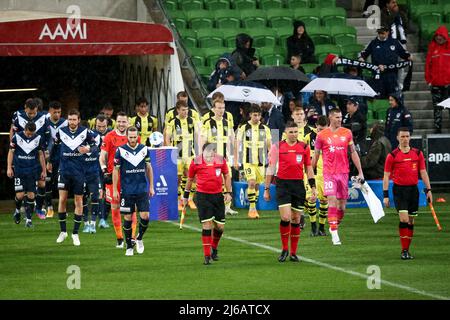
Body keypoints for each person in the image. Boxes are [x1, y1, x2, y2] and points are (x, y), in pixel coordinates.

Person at [264, 121, 316, 262]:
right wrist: (267, 188)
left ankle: (293, 252)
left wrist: (313, 186)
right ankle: (284, 249)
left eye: (295, 132)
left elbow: (309, 168)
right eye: (291, 132)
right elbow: (271, 168)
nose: (293, 134)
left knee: (296, 219)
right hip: (283, 185)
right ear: (285, 133)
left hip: (298, 185)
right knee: (286, 217)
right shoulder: (277, 147)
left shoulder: (303, 147)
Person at [312, 108, 364, 245]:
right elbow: (316, 155)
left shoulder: (347, 133)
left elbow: (353, 153)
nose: (340, 119)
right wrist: (310, 173)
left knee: (342, 207)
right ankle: (335, 234)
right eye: (337, 117)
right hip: (329, 173)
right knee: (332, 201)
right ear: (330, 118)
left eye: (341, 117)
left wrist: (360, 171)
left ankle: (334, 225)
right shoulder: (322, 135)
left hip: (343, 173)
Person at [383, 127, 432, 260]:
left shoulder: (417, 153)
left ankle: (407, 250)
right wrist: (386, 195)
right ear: (397, 138)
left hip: (413, 191)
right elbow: (386, 176)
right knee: (404, 219)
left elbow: (423, 172)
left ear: (410, 137)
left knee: (410, 221)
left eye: (407, 136)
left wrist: (429, 190)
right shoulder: (392, 156)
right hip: (399, 191)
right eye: (402, 137)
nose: (405, 139)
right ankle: (404, 250)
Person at [183, 143, 232, 265]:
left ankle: (214, 248)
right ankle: (206, 256)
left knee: (220, 227)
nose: (210, 154)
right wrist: (185, 196)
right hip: (202, 196)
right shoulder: (196, 161)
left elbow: (226, 175)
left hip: (217, 196)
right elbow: (189, 179)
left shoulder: (221, 160)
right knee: (207, 225)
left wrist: (228, 192)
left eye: (212, 151)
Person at [53, 109, 97, 246]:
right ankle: (63, 231)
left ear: (79, 120)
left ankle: (75, 233)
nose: (72, 122)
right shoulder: (61, 132)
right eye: (70, 119)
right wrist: (49, 162)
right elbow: (54, 147)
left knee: (78, 201)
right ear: (68, 120)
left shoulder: (85, 132)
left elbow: (96, 146)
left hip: (79, 172)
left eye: (74, 119)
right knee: (62, 199)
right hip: (64, 171)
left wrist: (88, 149)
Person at [113, 126, 154, 256]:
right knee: (128, 218)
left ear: (137, 136)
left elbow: (149, 168)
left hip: (142, 189)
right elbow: (115, 170)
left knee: (145, 216)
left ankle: (139, 238)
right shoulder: (120, 151)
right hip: (127, 190)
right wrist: (115, 189)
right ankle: (129, 246)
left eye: (134, 137)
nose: (132, 139)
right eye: (130, 137)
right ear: (127, 136)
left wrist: (151, 186)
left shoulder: (144, 149)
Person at [100, 112, 139, 248]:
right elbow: (102, 156)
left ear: (128, 123)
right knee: (115, 208)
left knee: (132, 209)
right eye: (119, 122)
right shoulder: (109, 137)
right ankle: (120, 239)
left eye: (124, 122)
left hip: (129, 179)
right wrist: (104, 170)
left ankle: (132, 237)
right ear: (115, 122)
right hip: (114, 178)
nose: (121, 124)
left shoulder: (133, 137)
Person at [11, 98, 50, 220]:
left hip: (38, 153)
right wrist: (12, 146)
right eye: (30, 113)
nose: (32, 115)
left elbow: (48, 135)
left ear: (37, 109)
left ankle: (39, 207)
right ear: (25, 108)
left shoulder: (43, 118)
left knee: (42, 183)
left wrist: (47, 151)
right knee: (23, 190)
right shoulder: (18, 116)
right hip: (22, 156)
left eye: (34, 113)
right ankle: (24, 207)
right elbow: (12, 131)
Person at [201, 98, 237, 216]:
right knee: (216, 182)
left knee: (228, 180)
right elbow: (203, 141)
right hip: (212, 159)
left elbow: (233, 141)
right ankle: (215, 205)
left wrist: (235, 157)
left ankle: (227, 207)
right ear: (213, 109)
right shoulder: (208, 123)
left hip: (224, 158)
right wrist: (203, 157)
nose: (221, 110)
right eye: (219, 108)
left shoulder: (227, 123)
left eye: (223, 108)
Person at [234, 104, 271, 219]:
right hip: (248, 161)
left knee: (257, 185)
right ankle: (252, 208)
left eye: (259, 115)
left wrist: (273, 159)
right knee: (251, 182)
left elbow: (270, 145)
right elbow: (237, 144)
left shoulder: (265, 128)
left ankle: (254, 206)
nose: (257, 117)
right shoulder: (243, 127)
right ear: (250, 115)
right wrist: (235, 160)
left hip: (261, 162)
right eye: (255, 115)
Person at [282, 106, 316, 232]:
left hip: (306, 168)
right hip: (292, 169)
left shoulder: (312, 131)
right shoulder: (286, 133)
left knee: (307, 196)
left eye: (302, 114)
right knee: (296, 196)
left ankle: (301, 217)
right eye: (297, 114)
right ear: (292, 116)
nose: (300, 116)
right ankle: (300, 217)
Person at [7, 122, 46, 227]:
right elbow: (11, 152)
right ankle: (17, 211)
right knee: (19, 195)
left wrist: (44, 170)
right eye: (28, 133)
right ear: (25, 129)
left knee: (31, 195)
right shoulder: (17, 137)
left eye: (31, 134)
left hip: (32, 170)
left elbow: (41, 155)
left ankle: (28, 220)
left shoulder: (38, 138)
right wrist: (9, 167)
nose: (30, 135)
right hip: (19, 170)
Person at [358, 26, 412, 98]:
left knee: (393, 96)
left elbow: (403, 53)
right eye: (379, 33)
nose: (381, 35)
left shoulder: (394, 42)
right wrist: (361, 57)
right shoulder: (373, 43)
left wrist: (408, 56)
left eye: (382, 33)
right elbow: (364, 53)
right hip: (378, 75)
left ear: (387, 32)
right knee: (379, 96)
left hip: (391, 75)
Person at [165, 100, 198, 210]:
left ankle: (190, 199)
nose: (185, 112)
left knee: (193, 177)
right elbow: (167, 138)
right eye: (183, 110)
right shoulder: (172, 122)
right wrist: (170, 152)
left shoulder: (192, 121)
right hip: (177, 155)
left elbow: (198, 135)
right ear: (178, 110)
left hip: (190, 154)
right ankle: (179, 200)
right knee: (177, 179)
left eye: (186, 109)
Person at [44, 101, 67, 218]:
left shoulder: (65, 123)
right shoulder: (45, 122)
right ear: (50, 111)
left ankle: (62, 207)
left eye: (59, 112)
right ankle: (49, 207)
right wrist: (48, 160)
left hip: (62, 158)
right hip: (48, 158)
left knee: (61, 183)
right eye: (55, 112)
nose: (57, 114)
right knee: (48, 182)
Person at [425, 25, 450, 134]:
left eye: (441, 36)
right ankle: (438, 130)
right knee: (437, 109)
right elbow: (427, 65)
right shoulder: (432, 47)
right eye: (437, 36)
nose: (439, 38)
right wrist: (428, 80)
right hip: (436, 85)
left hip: (449, 85)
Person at [81, 120, 102, 234]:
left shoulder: (97, 137)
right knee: (83, 197)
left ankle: (92, 224)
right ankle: (86, 224)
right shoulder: (76, 138)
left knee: (94, 197)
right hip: (82, 172)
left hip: (93, 171)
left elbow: (98, 150)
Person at [92, 114, 112, 229]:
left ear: (107, 125)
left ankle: (104, 217)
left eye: (103, 126)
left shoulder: (111, 134)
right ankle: (101, 219)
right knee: (100, 193)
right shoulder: (91, 134)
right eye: (98, 126)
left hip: (108, 167)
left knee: (109, 194)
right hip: (95, 168)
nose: (100, 128)